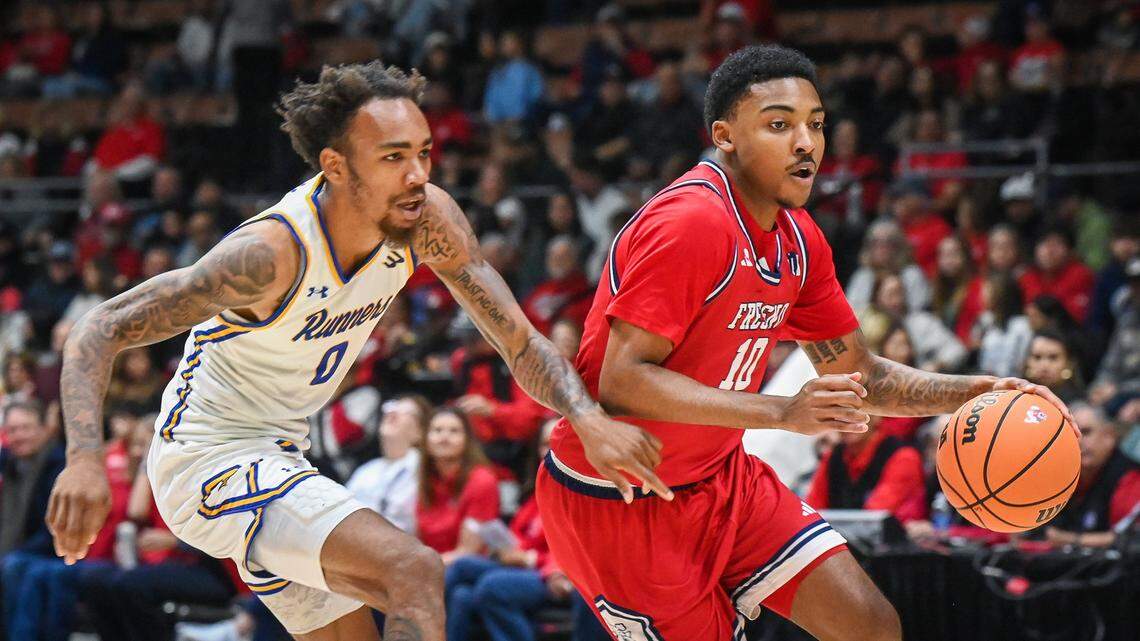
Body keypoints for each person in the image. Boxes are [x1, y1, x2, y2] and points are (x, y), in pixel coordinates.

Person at [47, 62, 665, 641]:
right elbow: (100, 327)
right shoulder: (269, 254)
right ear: (336, 167)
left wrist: (586, 418)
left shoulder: (426, 218)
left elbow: (520, 341)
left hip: (283, 453)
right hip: (206, 458)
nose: (418, 174)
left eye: (423, 152)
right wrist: (83, 460)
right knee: (414, 570)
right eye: (394, 157)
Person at [536, 45, 1073, 641]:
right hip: (620, 501)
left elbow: (858, 373)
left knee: (871, 627)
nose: (806, 143)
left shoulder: (799, 238)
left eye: (816, 124)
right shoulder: (691, 223)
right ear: (725, 136)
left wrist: (969, 392)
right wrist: (780, 412)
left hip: (721, 481)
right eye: (778, 124)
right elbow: (623, 381)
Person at [1043, 403, 1140, 548]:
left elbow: (1126, 539)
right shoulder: (1062, 475)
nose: (1079, 442)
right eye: (1071, 435)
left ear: (1109, 436)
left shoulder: (1130, 479)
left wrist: (1068, 539)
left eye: (1086, 432)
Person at [415, 408, 499, 563]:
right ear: (425, 439)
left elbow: (468, 551)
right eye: (437, 430)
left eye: (454, 431)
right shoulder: (425, 480)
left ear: (468, 441)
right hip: (430, 565)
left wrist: (419, 567)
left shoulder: (482, 480)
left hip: (467, 567)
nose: (444, 437)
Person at [804, 415, 926, 523]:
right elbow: (811, 512)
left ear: (877, 416)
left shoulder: (903, 457)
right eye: (840, 412)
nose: (847, 419)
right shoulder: (832, 457)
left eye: (857, 411)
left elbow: (871, 518)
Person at [346, 395, 430, 533]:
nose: (392, 413)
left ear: (420, 432)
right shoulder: (366, 470)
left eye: (406, 412)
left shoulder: (425, 468)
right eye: (391, 407)